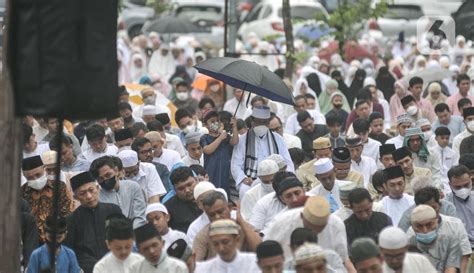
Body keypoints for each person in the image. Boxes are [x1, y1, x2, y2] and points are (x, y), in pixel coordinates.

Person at [264, 196, 355, 272]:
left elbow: (344, 260)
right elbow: (266, 255)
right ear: (302, 216)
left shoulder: (335, 225)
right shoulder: (281, 224)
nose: (314, 232)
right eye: (311, 227)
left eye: (320, 229)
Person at [64, 171, 123, 273]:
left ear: (98, 188)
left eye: (91, 190)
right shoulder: (71, 220)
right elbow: (69, 251)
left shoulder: (113, 210)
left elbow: (124, 238)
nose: (89, 196)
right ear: (76, 197)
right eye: (82, 193)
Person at [231, 105, 294, 197]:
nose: (261, 125)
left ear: (268, 123)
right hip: (251, 180)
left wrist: (285, 177)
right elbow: (235, 164)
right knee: (244, 190)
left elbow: (288, 163)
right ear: (252, 122)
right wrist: (243, 178)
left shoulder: (278, 139)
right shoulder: (243, 140)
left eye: (264, 122)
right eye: (258, 122)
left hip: (275, 178)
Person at [193, 191, 261, 261]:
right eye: (212, 215)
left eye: (220, 212)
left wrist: (241, 221)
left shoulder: (244, 228)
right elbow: (195, 265)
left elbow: (261, 251)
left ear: (230, 207)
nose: (217, 217)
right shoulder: (203, 236)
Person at [21, 155, 72, 243]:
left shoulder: (60, 187)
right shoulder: (21, 193)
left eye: (38, 175)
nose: (35, 179)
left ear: (44, 170)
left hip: (59, 239)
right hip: (32, 243)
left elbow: (67, 213)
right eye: (30, 178)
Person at [89, 155, 147, 228]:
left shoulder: (133, 187)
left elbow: (140, 217)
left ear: (116, 171)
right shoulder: (97, 197)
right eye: (101, 179)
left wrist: (131, 234)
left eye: (108, 175)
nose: (106, 180)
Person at [407, 205, 461, 272]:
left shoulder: (451, 239)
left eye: (429, 224)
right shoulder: (408, 243)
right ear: (412, 226)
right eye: (419, 226)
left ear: (436, 221)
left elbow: (451, 268)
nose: (425, 230)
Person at [194, 219, 261, 273]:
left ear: (237, 240)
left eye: (225, 242)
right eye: (216, 244)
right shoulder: (203, 269)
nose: (221, 248)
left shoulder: (254, 263)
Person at [200, 110, 239, 191]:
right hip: (211, 171)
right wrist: (220, 138)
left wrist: (234, 127)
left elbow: (234, 142)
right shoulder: (205, 137)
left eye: (218, 120)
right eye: (212, 121)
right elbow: (207, 150)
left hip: (224, 170)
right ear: (205, 125)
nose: (216, 123)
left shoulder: (225, 136)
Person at [164, 167, 201, 233]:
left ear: (196, 180)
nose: (187, 190)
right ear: (175, 190)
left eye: (189, 185)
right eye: (181, 188)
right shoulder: (168, 208)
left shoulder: (210, 197)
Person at [446, 165, 474, 250]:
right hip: (459, 248)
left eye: (466, 185)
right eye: (458, 187)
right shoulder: (445, 205)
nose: (463, 189)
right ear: (450, 185)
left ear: (471, 179)